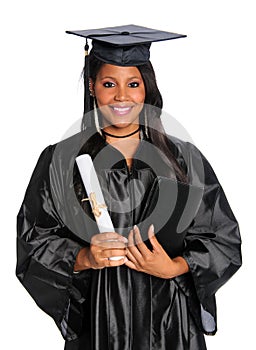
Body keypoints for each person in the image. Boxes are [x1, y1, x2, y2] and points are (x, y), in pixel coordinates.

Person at [16, 25, 242, 350]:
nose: (122, 96)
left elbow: (223, 238)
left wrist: (174, 266)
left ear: (146, 89)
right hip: (99, 320)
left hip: (170, 323)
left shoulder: (184, 159)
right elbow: (34, 240)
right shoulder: (62, 160)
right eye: (109, 84)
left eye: (133, 84)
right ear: (92, 86)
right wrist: (83, 257)